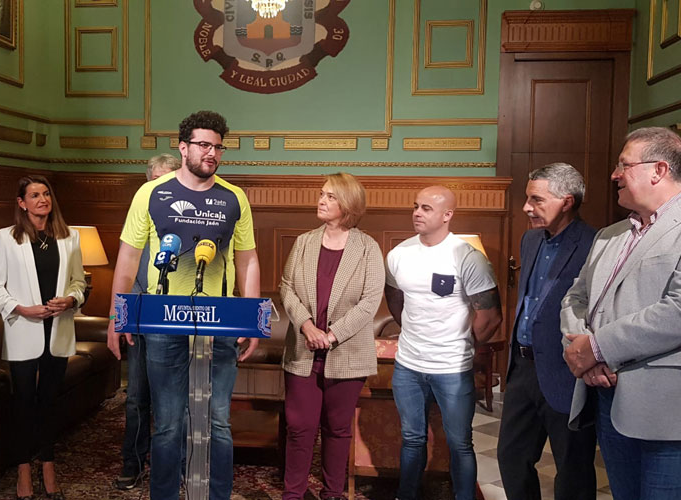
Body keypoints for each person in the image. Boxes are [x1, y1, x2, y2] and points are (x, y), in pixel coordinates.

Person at [106, 110, 260, 500]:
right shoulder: (151, 193)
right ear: (183, 147)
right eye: (204, 145)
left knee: (219, 422)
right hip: (163, 321)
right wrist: (117, 316)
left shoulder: (233, 197)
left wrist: (252, 320)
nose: (212, 153)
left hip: (219, 322)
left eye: (218, 147)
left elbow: (248, 260)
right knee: (169, 423)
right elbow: (127, 258)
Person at [562, 126, 681, 499]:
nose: (614, 174)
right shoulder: (609, 235)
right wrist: (585, 353)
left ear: (658, 170)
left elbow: (677, 310)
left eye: (624, 165)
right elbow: (575, 297)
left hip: (665, 411)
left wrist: (597, 348)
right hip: (606, 397)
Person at [384, 185, 502, 500]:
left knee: (460, 442)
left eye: (426, 208)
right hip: (408, 365)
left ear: (447, 215)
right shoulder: (399, 254)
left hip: (452, 367)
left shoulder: (467, 257)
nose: (417, 213)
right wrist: (412, 331)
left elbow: (490, 317)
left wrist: (464, 346)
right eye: (415, 206)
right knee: (411, 439)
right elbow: (395, 299)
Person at [279, 173, 385, 500]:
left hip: (347, 353)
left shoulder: (367, 248)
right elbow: (287, 287)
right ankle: (293, 494)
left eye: (330, 196)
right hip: (303, 350)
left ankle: (333, 493)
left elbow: (370, 300)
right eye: (322, 194)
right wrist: (307, 326)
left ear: (348, 204)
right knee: (299, 428)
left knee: (338, 430)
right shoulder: (304, 242)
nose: (321, 200)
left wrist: (333, 334)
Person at [497, 163, 597, 500]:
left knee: (573, 467)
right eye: (528, 199)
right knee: (511, 456)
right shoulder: (529, 239)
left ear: (566, 201)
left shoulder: (595, 244)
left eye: (537, 200)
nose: (527, 207)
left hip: (566, 369)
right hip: (523, 368)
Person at [0, 175, 86, 500]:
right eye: (34, 195)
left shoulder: (69, 237)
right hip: (24, 331)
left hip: (57, 331)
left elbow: (78, 283)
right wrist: (21, 309)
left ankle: (48, 465)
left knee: (49, 403)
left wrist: (71, 300)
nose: (42, 199)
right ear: (21, 203)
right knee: (24, 403)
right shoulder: (7, 238)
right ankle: (23, 471)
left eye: (46, 194)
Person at [115, 153, 181, 491]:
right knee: (138, 397)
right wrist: (123, 318)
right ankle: (133, 463)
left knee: (178, 400)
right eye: (156, 183)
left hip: (181, 322)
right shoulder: (139, 219)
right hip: (142, 319)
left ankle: (177, 465)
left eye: (169, 182)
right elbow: (127, 274)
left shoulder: (188, 222)